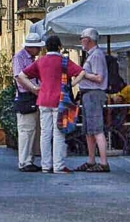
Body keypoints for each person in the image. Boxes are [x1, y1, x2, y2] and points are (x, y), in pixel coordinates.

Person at [18, 35, 84, 174]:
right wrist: (71, 84)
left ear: (46, 47)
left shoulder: (40, 61)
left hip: (43, 100)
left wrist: (34, 88)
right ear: (59, 47)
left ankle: (46, 165)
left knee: (45, 134)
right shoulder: (64, 61)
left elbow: (22, 75)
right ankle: (58, 165)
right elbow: (81, 72)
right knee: (59, 133)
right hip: (60, 100)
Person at [75, 28, 110, 173]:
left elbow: (99, 77)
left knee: (96, 128)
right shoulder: (92, 55)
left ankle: (103, 162)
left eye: (82, 38)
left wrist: (83, 74)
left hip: (94, 93)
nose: (81, 41)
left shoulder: (96, 55)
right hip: (88, 94)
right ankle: (91, 160)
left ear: (88, 40)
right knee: (89, 129)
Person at [12, 31, 44, 172]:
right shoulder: (19, 57)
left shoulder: (32, 59)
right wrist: (34, 89)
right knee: (26, 131)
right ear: (30, 47)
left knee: (31, 130)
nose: (39, 50)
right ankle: (24, 161)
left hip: (31, 96)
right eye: (37, 47)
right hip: (26, 95)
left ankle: (28, 160)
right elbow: (19, 77)